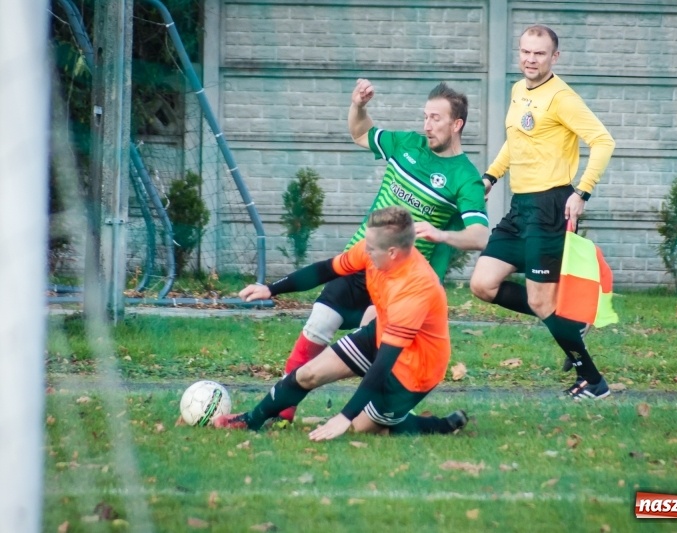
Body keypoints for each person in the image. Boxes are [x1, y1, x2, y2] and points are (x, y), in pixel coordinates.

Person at [271, 79, 489, 424]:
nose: (426, 125)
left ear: (456, 124)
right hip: (362, 259)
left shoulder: (464, 177)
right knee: (318, 323)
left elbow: (480, 235)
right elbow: (361, 133)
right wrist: (358, 106)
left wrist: (442, 234)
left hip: (401, 283)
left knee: (376, 361)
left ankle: (394, 416)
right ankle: (281, 411)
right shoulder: (405, 144)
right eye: (425, 116)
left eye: (435, 118)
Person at [214, 206, 468, 440]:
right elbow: (326, 269)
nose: (364, 250)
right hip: (382, 334)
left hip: (415, 370)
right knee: (308, 373)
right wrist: (271, 289)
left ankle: (440, 425)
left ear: (392, 252)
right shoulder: (373, 250)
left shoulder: (416, 288)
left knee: (363, 427)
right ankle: (251, 420)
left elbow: (382, 365)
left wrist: (344, 418)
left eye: (371, 247)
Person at [470, 24, 616, 400]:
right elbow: (514, 142)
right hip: (520, 208)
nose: (530, 59)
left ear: (554, 57)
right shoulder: (519, 91)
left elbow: (602, 141)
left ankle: (594, 381)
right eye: (525, 52)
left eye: (539, 53)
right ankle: (570, 320)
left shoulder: (562, 98)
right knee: (483, 284)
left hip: (551, 206)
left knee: (539, 301)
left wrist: (582, 192)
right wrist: (490, 177)